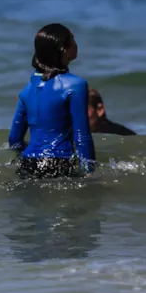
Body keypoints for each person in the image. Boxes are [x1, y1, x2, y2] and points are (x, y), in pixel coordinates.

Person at [8, 23, 96, 178]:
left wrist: (30, 154)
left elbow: (14, 140)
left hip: (27, 164)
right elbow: (82, 136)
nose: (76, 44)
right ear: (63, 48)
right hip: (59, 164)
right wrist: (90, 172)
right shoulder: (75, 85)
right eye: (73, 39)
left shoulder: (27, 90)